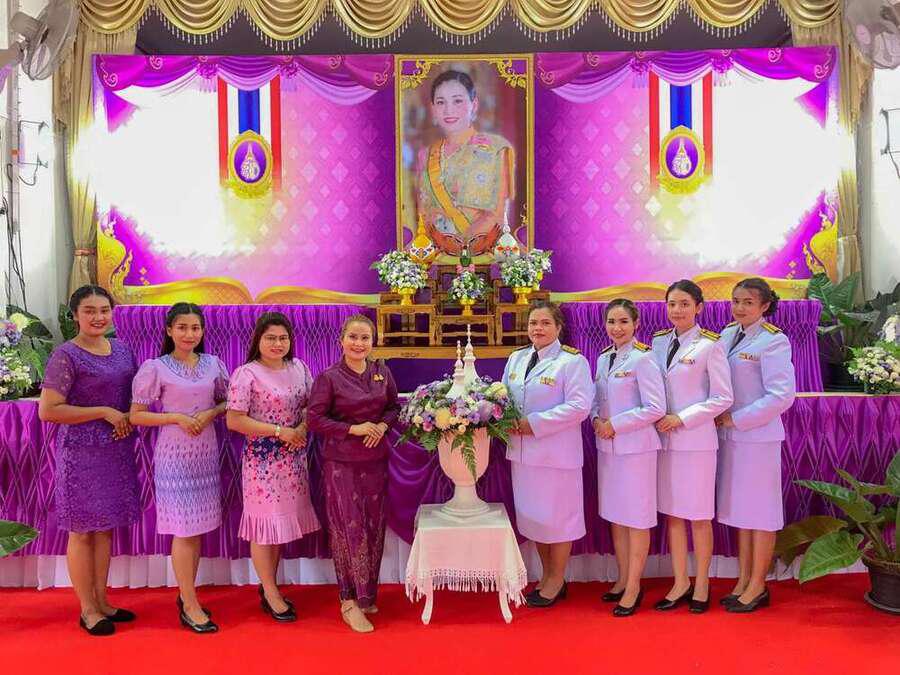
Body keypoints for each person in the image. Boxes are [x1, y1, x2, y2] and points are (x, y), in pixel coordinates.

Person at [38, 285, 140, 636]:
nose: (98, 317)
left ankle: (103, 601)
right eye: (89, 311)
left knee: (105, 528)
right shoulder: (66, 355)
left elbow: (133, 396)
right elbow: (49, 410)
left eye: (104, 310)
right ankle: (87, 609)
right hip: (80, 453)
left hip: (116, 450)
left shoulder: (122, 349)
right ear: (75, 315)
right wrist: (103, 412)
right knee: (82, 532)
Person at [129, 303, 229, 633]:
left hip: (205, 453)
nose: (189, 334)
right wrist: (175, 417)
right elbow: (137, 415)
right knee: (184, 530)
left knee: (196, 529)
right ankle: (189, 602)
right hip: (174, 455)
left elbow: (229, 401)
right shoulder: (155, 367)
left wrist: (211, 413)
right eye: (182, 327)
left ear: (203, 331)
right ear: (169, 330)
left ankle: (188, 594)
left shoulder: (213, 364)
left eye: (195, 328)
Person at [307, 314, 399, 634]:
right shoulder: (329, 377)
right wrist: (353, 429)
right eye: (353, 337)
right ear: (341, 341)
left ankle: (367, 595)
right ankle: (348, 601)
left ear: (373, 342)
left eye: (365, 338)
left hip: (375, 462)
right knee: (349, 529)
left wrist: (383, 426)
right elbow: (315, 420)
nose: (359, 343)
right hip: (341, 464)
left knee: (373, 527)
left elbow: (393, 407)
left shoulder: (381, 372)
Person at [225, 312, 320, 623]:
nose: (277, 343)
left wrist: (302, 427)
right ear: (258, 340)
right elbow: (234, 420)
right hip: (262, 462)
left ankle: (270, 586)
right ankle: (269, 590)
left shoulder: (299, 368)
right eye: (270, 338)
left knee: (278, 526)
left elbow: (312, 405)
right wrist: (280, 432)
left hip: (293, 459)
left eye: (283, 338)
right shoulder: (246, 374)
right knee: (264, 526)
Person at [502, 300, 593, 607]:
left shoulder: (572, 362)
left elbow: (580, 406)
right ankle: (546, 574)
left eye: (545, 323)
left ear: (558, 327)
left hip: (556, 457)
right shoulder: (516, 358)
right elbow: (504, 396)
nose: (537, 329)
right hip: (523, 455)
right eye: (533, 323)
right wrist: (503, 416)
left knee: (559, 520)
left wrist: (535, 423)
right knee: (535, 520)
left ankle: (557, 578)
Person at [651, 279, 733, 613]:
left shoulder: (710, 345)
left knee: (698, 516)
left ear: (698, 308)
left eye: (685, 304)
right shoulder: (657, 343)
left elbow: (723, 397)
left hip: (696, 443)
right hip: (663, 441)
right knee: (672, 514)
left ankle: (701, 583)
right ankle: (680, 581)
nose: (677, 310)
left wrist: (682, 418)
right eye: (672, 303)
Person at [715, 278, 796, 613]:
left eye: (748, 302)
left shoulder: (773, 341)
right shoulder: (726, 335)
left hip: (758, 440)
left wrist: (737, 419)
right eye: (736, 301)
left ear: (764, 306)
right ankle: (744, 579)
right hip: (731, 439)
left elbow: (781, 396)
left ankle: (758, 585)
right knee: (741, 512)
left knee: (761, 514)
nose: (740, 307)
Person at [591, 299, 666, 617]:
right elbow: (597, 399)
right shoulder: (603, 358)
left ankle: (634, 586)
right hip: (608, 449)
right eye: (611, 321)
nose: (617, 328)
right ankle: (622, 578)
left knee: (636, 517)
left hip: (636, 449)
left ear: (636, 324)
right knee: (617, 516)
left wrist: (616, 425)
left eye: (623, 321)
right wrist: (596, 419)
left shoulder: (643, 358)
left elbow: (655, 407)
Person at [416, 69, 515, 256]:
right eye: (441, 102)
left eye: (457, 101)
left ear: (474, 104)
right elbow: (423, 213)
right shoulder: (426, 155)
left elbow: (497, 214)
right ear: (433, 108)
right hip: (436, 256)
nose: (448, 110)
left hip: (483, 254)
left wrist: (463, 251)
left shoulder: (495, 150)